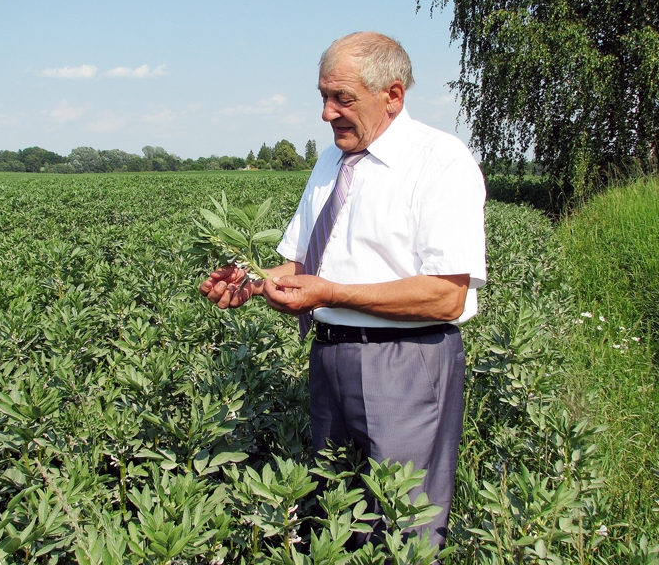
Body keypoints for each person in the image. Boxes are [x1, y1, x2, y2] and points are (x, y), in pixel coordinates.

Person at [200, 31, 486, 549]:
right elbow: (297, 267)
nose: (327, 113)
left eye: (343, 99)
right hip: (329, 356)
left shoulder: (440, 161)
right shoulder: (330, 161)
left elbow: (447, 295)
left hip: (406, 361)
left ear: (393, 95)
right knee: (341, 517)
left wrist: (330, 292)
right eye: (323, 97)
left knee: (404, 528)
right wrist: (253, 279)